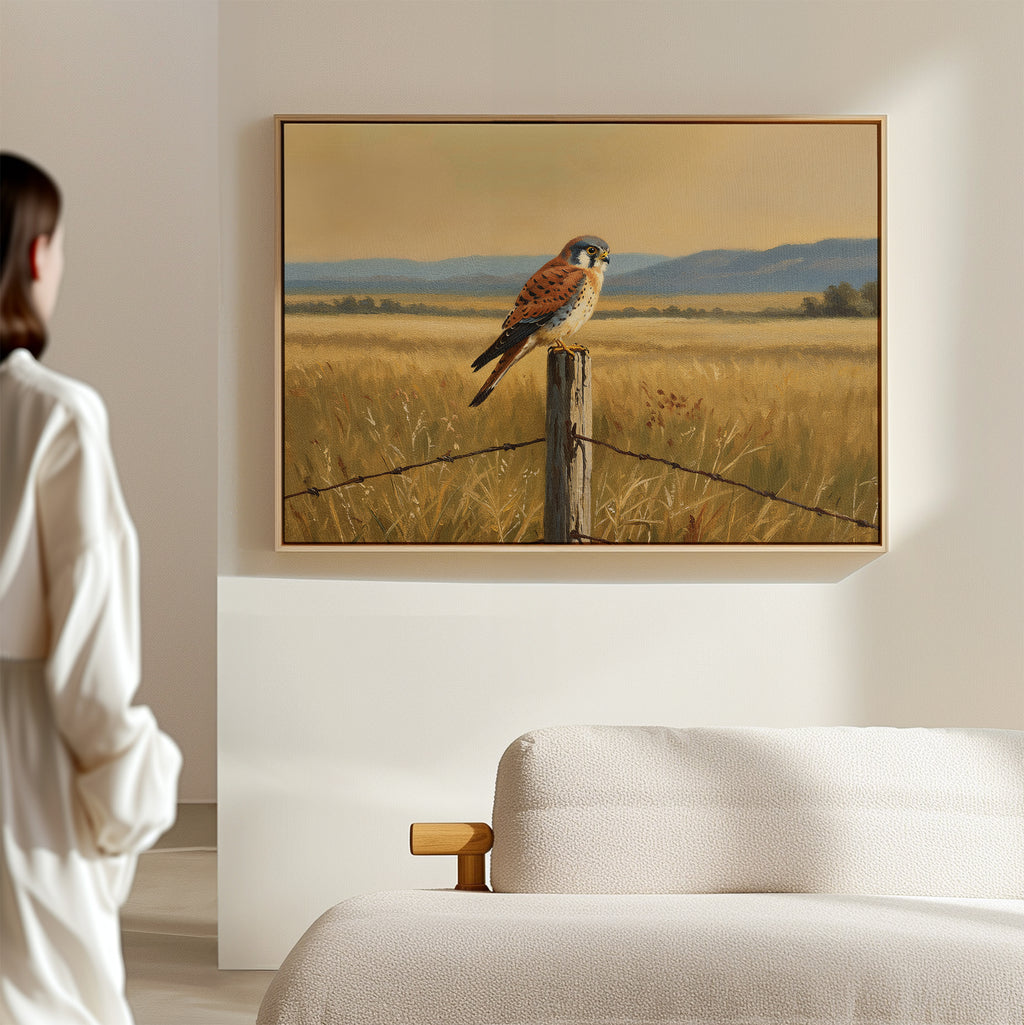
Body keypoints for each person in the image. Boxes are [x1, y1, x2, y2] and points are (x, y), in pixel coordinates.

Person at [0, 153, 182, 1025]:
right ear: (36, 255)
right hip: (20, 771)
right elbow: (88, 671)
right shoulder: (54, 415)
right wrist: (131, 791)